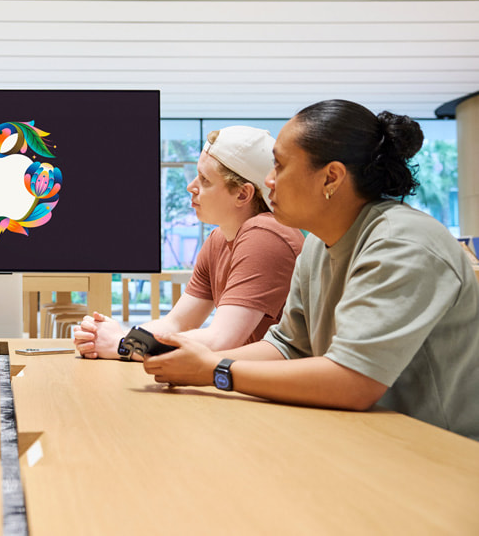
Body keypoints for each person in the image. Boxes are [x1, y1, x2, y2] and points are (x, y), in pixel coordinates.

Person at [145, 100, 479, 440]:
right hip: (362, 436)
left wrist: (215, 370)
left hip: (438, 450)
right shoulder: (319, 244)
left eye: (279, 166)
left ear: (331, 178)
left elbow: (354, 381)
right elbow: (288, 346)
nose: (268, 180)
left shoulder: (402, 243)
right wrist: (198, 363)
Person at [74, 126, 304, 359]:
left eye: (205, 180)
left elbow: (220, 340)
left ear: (242, 194)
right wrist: (112, 337)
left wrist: (122, 344)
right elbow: (176, 324)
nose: (191, 187)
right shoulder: (218, 240)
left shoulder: (265, 235)